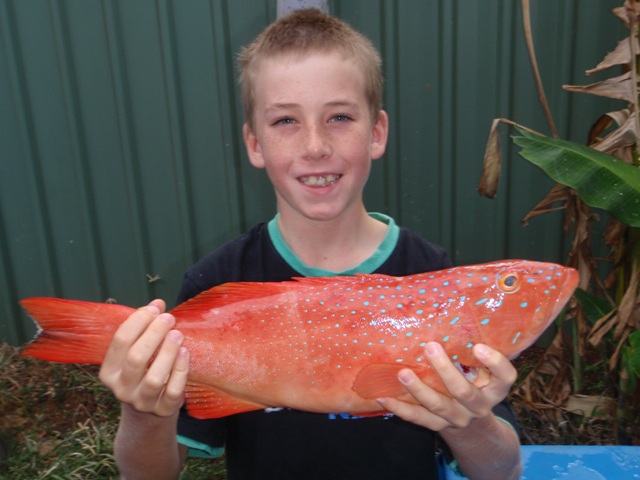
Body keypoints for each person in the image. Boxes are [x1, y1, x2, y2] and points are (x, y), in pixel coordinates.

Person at [99, 8, 522, 480]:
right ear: (254, 144)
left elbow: (501, 472)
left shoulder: (429, 272)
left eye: (339, 116)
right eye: (285, 121)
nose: (315, 145)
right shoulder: (217, 280)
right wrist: (143, 412)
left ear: (376, 132)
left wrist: (471, 422)